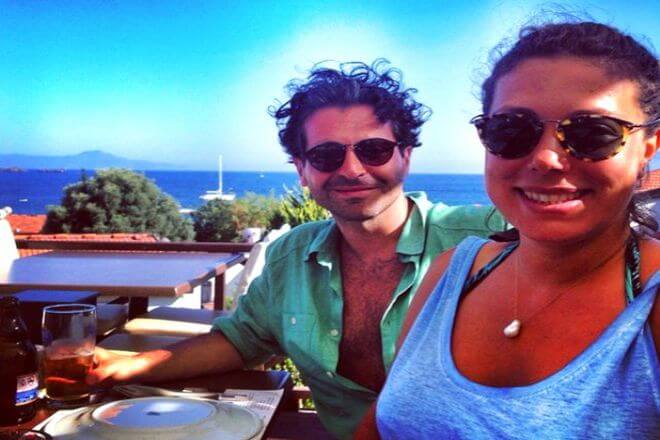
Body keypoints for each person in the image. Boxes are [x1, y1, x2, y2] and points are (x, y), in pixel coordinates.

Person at [88, 60, 506, 439]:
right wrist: (125, 365)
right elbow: (243, 340)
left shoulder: (488, 239)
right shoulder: (292, 256)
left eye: (374, 150)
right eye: (326, 155)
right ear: (302, 171)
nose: (352, 169)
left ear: (406, 157)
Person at [360, 21, 659, 439]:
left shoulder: (648, 305)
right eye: (512, 130)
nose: (546, 159)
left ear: (648, 147)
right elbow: (381, 422)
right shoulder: (452, 272)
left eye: (593, 133)